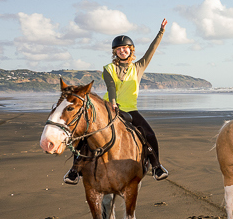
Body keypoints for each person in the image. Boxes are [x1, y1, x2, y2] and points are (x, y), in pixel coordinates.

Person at [65, 19, 168, 184]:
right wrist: (112, 102)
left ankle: (156, 166)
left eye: (125, 48)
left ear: (131, 50)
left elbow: (152, 50)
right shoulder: (109, 68)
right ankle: (74, 170)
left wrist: (161, 31)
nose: (122, 51)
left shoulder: (138, 67)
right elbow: (111, 86)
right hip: (108, 108)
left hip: (130, 109)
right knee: (85, 134)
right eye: (119, 49)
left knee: (149, 134)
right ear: (115, 52)